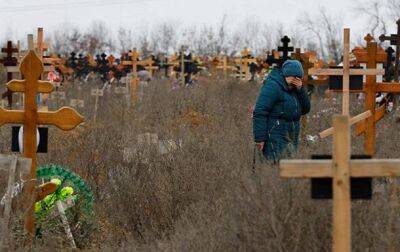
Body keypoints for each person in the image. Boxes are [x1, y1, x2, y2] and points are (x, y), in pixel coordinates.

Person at [253, 60, 311, 161]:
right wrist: (260, 138)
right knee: (276, 166)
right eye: (294, 77)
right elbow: (260, 111)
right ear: (287, 75)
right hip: (275, 133)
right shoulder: (273, 86)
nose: (296, 80)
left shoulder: (295, 89)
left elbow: (305, 109)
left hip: (292, 134)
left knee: (289, 168)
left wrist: (301, 90)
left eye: (299, 78)